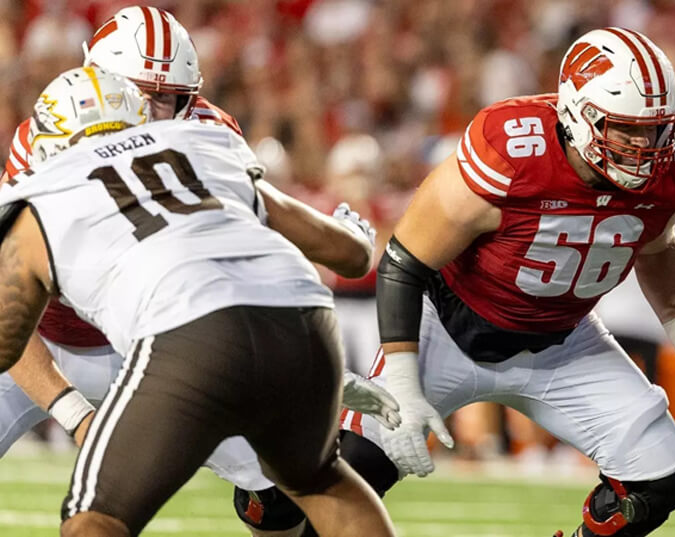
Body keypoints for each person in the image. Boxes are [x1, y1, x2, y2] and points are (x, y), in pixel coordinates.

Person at [251, 27, 675, 537]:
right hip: (449, 327)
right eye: (627, 128)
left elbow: (655, 243)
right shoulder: (512, 149)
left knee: (661, 477)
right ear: (578, 115)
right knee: (344, 478)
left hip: (563, 341)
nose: (646, 146)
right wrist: (407, 388)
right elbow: (405, 261)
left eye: (656, 129)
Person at [0, 7, 400, 537]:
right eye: (142, 92)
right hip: (62, 340)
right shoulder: (52, 144)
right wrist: (72, 409)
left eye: (172, 97)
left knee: (278, 501)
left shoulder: (202, 131)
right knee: (320, 480)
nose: (157, 110)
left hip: (165, 336)